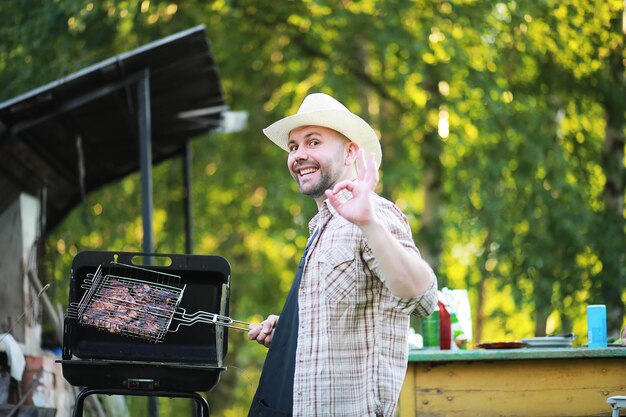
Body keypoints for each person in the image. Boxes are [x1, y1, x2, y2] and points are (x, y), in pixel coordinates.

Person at [247, 92, 438, 417]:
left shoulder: (376, 215)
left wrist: (369, 223)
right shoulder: (321, 228)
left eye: (313, 142)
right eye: (294, 147)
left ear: (350, 151)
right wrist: (295, 329)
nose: (298, 155)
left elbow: (424, 299)